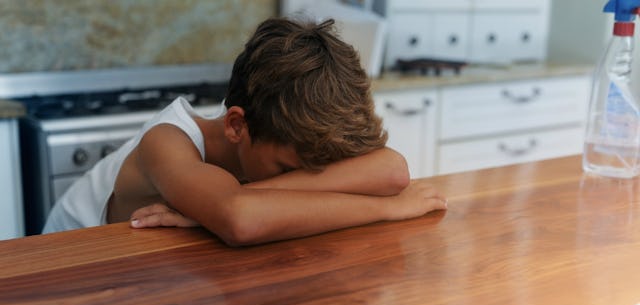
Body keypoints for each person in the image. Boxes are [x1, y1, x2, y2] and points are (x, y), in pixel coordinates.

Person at [43, 17, 447, 245]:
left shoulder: (281, 140)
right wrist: (387, 209)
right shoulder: (166, 141)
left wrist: (204, 212)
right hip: (71, 257)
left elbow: (392, 171)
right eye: (290, 169)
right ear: (237, 125)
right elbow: (241, 220)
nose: (305, 178)